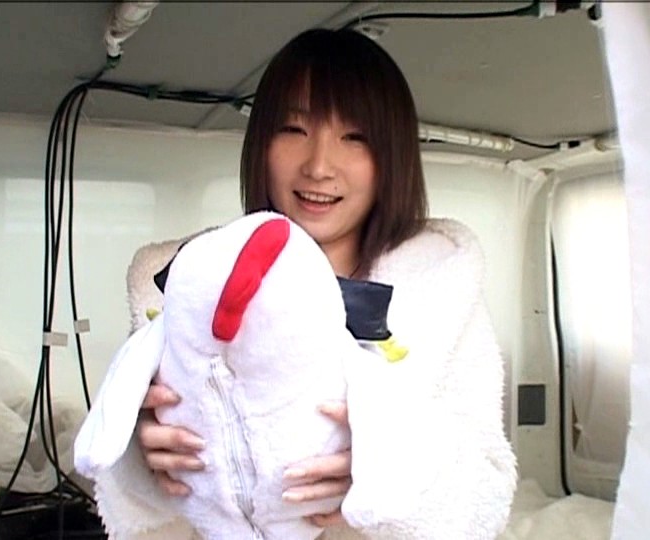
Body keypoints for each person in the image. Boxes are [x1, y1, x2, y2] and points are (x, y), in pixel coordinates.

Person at [133, 27, 517, 538]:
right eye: (294, 129)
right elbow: (135, 487)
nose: (318, 166)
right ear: (261, 142)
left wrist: (398, 474)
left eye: (354, 137)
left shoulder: (442, 288)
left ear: (392, 156)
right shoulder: (187, 280)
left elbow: (488, 493)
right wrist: (138, 458)